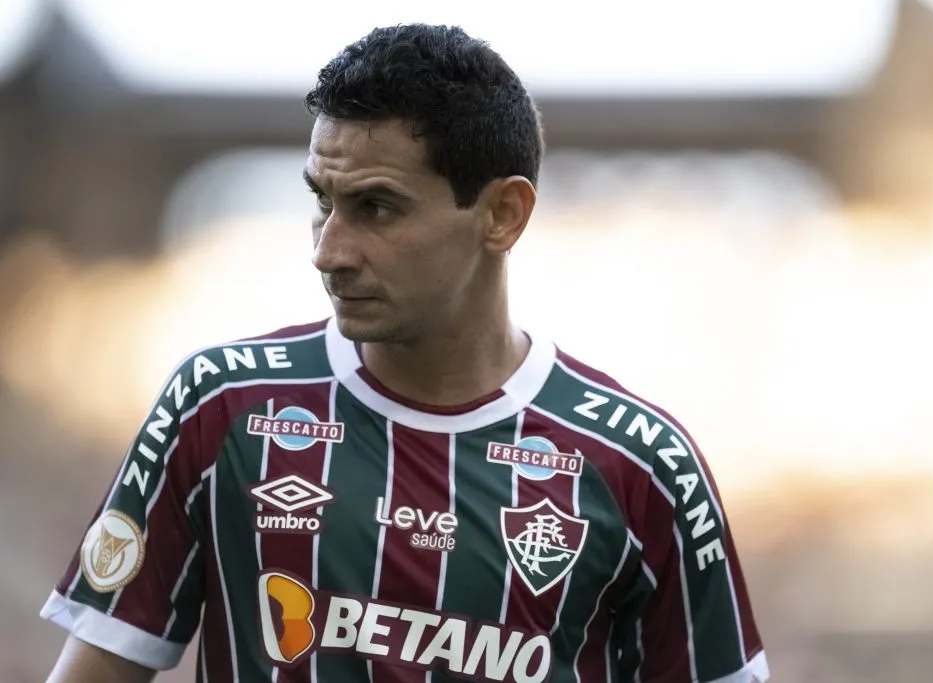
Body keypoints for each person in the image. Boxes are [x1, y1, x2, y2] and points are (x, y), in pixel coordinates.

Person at [41, 23, 769, 683]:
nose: (329, 251)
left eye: (376, 208)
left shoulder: (641, 465)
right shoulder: (222, 408)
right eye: (322, 200)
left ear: (502, 215)